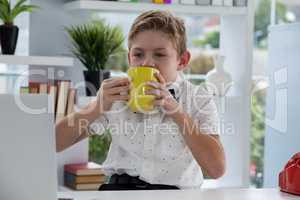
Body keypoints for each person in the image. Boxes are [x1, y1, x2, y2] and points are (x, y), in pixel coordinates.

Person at [56, 10, 226, 190]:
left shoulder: (199, 99)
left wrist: (176, 111)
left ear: (182, 60)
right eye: (138, 55)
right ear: (130, 58)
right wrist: (98, 106)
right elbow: (56, 142)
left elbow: (216, 169)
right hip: (120, 192)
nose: (147, 63)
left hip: (175, 195)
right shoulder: (115, 96)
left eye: (159, 55)